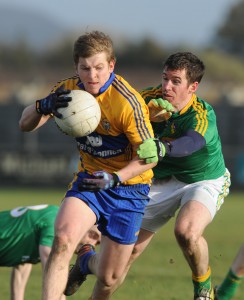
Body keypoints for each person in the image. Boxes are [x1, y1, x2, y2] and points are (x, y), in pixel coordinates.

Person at [19, 30, 156, 300]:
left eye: (99, 67)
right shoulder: (67, 90)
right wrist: (40, 106)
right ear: (76, 67)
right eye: (85, 68)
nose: (92, 75)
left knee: (108, 278)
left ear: (112, 65)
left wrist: (115, 178)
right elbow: (24, 125)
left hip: (130, 189)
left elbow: (148, 158)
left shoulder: (128, 102)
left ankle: (84, 262)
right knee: (63, 239)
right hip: (90, 181)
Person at [124, 51, 231, 300]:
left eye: (175, 81)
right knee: (126, 251)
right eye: (164, 78)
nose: (166, 87)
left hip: (202, 179)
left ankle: (203, 289)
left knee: (186, 232)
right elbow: (120, 123)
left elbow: (190, 143)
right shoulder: (147, 100)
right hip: (159, 182)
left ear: (193, 86)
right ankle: (90, 273)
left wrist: (163, 147)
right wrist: (142, 118)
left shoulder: (202, 113)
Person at [0, 204, 101, 300]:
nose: (91, 243)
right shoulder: (59, 226)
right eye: (92, 235)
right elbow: (55, 276)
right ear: (82, 223)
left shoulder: (57, 216)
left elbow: (22, 264)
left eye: (98, 243)